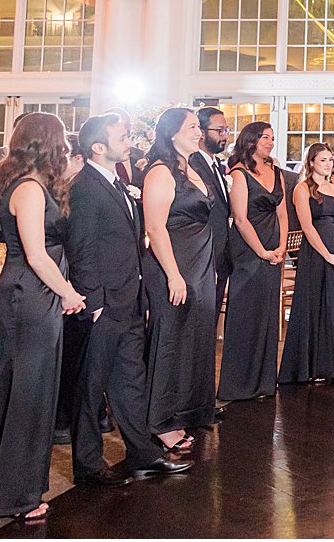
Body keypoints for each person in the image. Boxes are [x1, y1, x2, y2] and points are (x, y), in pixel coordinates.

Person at [0, 113, 86, 523]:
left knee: (28, 392)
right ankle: (13, 495)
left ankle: (6, 490)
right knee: (25, 395)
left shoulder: (32, 184)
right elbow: (35, 254)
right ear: (48, 143)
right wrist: (68, 292)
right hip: (27, 294)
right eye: (62, 141)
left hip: (31, 293)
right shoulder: (30, 189)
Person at [62, 114, 191, 487]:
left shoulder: (118, 182)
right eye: (121, 137)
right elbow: (82, 249)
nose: (129, 141)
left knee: (131, 381)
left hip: (130, 299)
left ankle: (142, 455)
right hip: (105, 303)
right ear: (98, 148)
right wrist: (95, 301)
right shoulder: (85, 187)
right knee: (91, 385)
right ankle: (87, 464)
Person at [140, 108, 217, 452]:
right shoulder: (160, 171)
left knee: (195, 339)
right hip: (175, 264)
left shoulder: (195, 166)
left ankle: (190, 409)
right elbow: (155, 227)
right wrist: (173, 274)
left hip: (200, 263)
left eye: (199, 127)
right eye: (192, 127)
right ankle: (161, 421)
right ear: (172, 133)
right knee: (171, 339)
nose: (199, 132)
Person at [219, 122, 288, 403]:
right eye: (264, 137)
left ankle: (263, 381)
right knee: (246, 312)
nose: (270, 142)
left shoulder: (277, 172)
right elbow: (241, 218)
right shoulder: (239, 173)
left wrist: (281, 247)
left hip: (275, 248)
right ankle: (238, 385)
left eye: (272, 137)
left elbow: (283, 213)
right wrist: (261, 251)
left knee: (268, 313)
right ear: (251, 140)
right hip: (249, 251)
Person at [279, 143, 334, 385]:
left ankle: (333, 364)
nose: (328, 164)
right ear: (311, 162)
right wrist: (327, 255)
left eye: (331, 159)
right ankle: (309, 366)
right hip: (314, 252)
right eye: (323, 160)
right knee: (314, 304)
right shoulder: (302, 189)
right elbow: (307, 227)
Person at [189, 107, 233, 344]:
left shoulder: (217, 165)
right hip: (202, 255)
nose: (224, 135)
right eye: (219, 130)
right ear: (202, 132)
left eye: (226, 130)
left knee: (209, 323)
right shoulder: (193, 164)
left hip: (220, 252)